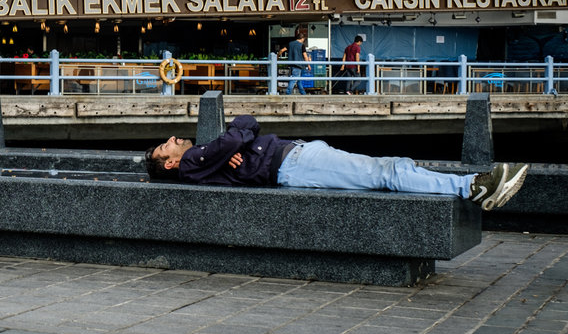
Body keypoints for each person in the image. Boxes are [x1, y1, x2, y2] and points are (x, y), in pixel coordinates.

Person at [144, 114, 528, 212]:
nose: (173, 140)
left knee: (392, 166)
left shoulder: (199, 162)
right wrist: (234, 138)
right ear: (171, 166)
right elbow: (241, 128)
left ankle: (473, 184)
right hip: (292, 164)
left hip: (295, 161)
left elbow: (235, 141)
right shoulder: (194, 160)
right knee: (386, 173)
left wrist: (231, 147)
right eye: (166, 147)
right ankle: (473, 187)